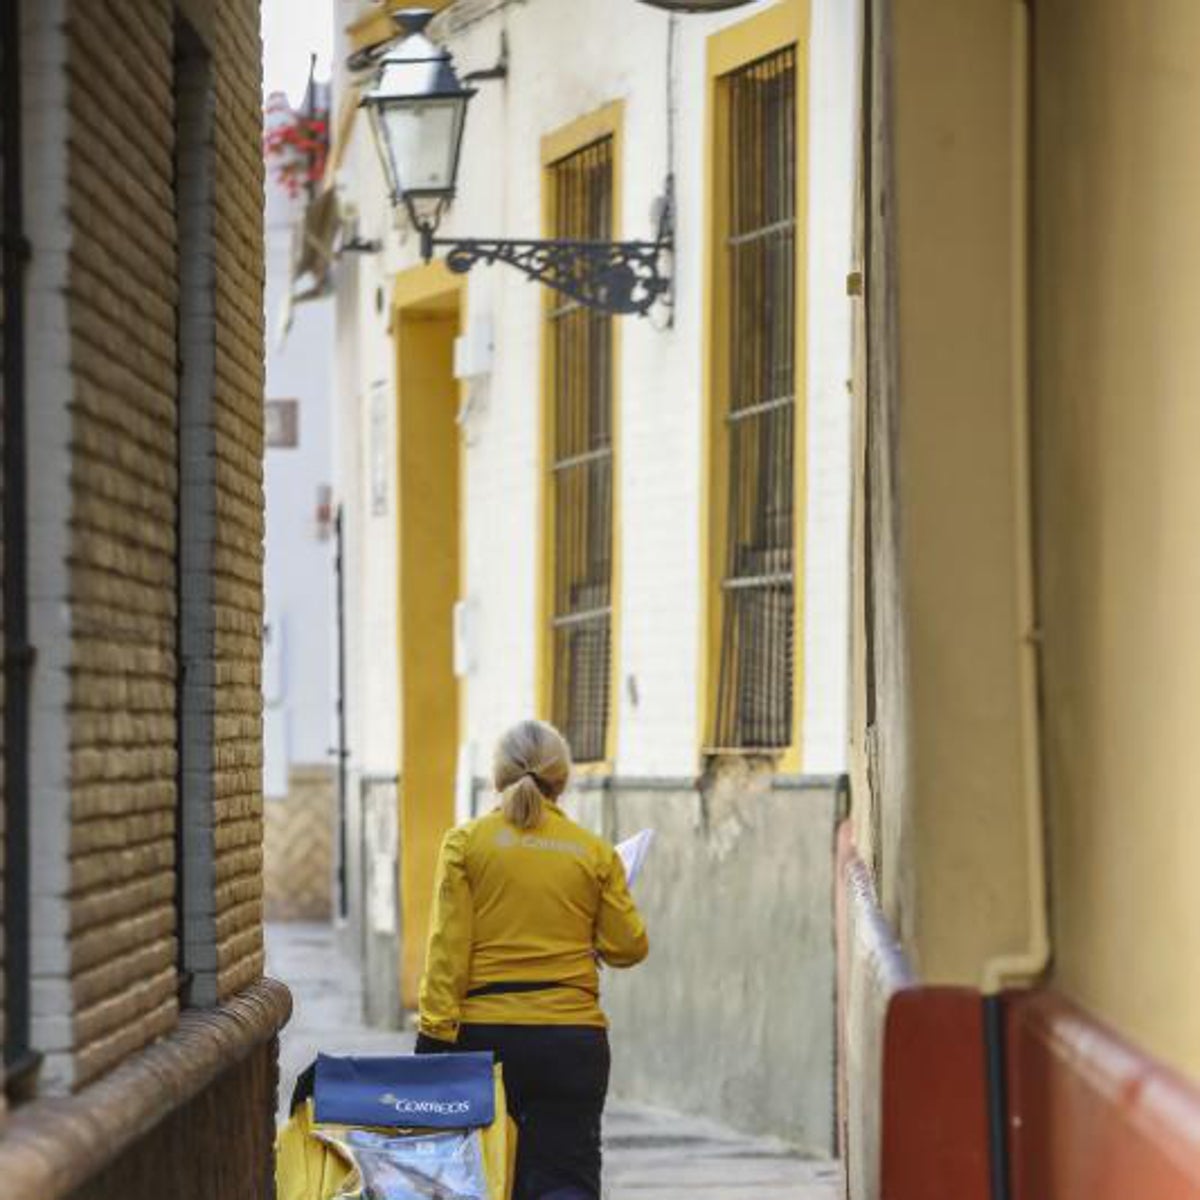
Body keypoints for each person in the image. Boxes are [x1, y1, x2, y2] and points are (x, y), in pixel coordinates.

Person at [415, 719, 649, 1200]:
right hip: (571, 1042)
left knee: (477, 1181)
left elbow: (447, 950)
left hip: (482, 1042)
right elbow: (628, 946)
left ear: (499, 775)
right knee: (567, 1180)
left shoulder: (465, 843)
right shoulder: (593, 852)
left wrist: (434, 1035)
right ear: (561, 778)